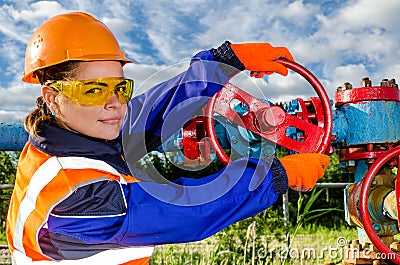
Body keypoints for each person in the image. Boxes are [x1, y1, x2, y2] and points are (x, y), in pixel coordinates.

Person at [6, 11, 330, 265]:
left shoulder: (84, 131)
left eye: (120, 87)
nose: (114, 103)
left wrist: (226, 61)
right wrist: (275, 176)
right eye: (93, 90)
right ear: (51, 97)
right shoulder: (67, 191)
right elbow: (181, 212)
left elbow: (150, 108)